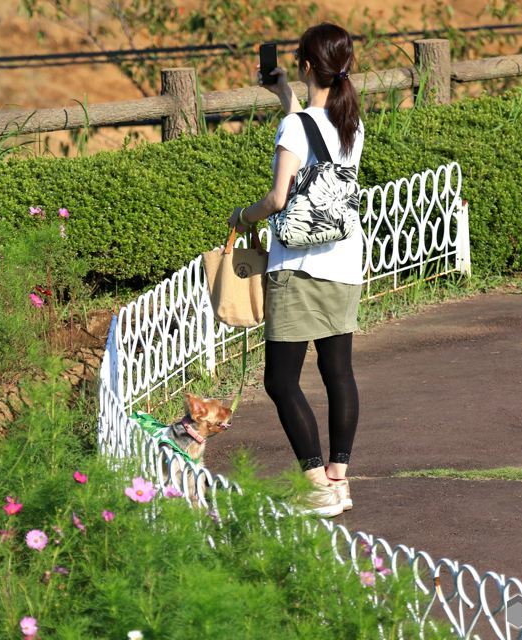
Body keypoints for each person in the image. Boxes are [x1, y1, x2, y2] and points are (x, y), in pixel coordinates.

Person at [228, 23, 365, 517]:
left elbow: (279, 197)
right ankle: (338, 480)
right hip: (345, 262)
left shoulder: (297, 126)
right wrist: (284, 92)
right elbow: (307, 132)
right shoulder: (351, 121)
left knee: (280, 381)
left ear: (308, 64)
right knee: (337, 372)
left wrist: (242, 217)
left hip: (299, 267)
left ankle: (314, 486)